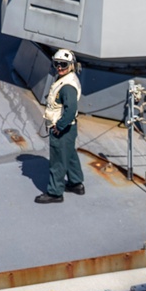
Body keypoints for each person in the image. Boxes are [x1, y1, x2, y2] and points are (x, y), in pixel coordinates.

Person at [35, 49, 84, 204]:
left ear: (71, 65)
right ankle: (76, 184)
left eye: (63, 64)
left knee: (57, 161)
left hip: (62, 128)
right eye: (57, 64)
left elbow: (70, 111)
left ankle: (55, 193)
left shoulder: (67, 86)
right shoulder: (67, 78)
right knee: (69, 154)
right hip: (68, 129)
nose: (59, 67)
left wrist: (60, 126)